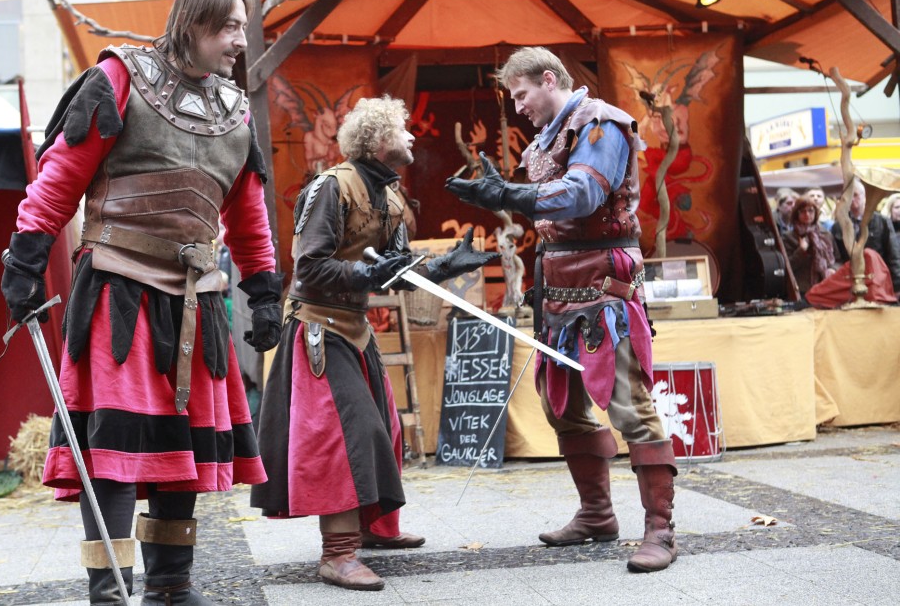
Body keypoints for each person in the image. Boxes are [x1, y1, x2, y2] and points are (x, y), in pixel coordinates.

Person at [0, 0, 281, 605]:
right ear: (193, 23)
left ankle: (171, 588)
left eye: (242, 28)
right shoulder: (119, 78)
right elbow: (60, 174)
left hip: (197, 299)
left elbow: (248, 214)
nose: (241, 41)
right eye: (230, 28)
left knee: (183, 444)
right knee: (116, 446)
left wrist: (264, 289)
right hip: (118, 292)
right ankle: (111, 593)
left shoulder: (235, 109)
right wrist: (27, 254)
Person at [251, 95, 497, 591]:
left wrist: (445, 266)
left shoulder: (393, 197)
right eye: (402, 130)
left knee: (383, 426)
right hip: (318, 327)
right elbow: (309, 267)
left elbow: (396, 272)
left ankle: (374, 529)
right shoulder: (332, 187)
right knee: (348, 433)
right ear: (379, 138)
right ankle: (337, 554)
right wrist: (366, 273)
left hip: (355, 327)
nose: (411, 136)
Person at [445, 46, 677, 573]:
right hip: (558, 287)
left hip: (603, 283)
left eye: (522, 94)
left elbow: (583, 194)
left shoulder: (601, 124)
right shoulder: (547, 139)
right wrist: (503, 195)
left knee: (627, 403)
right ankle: (597, 514)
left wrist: (508, 194)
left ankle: (660, 530)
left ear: (549, 80)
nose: (519, 107)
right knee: (560, 403)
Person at [830, 178, 900, 295]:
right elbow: (837, 257)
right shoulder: (838, 226)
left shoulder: (881, 221)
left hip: (878, 280)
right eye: (848, 196)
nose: (852, 199)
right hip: (850, 282)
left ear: (864, 196)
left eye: (855, 195)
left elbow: (893, 255)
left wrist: (897, 286)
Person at [782, 197, 835, 294]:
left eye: (810, 211)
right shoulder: (788, 237)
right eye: (802, 211)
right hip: (801, 289)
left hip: (825, 286)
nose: (807, 214)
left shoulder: (825, 234)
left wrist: (832, 269)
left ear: (816, 213)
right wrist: (801, 250)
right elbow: (786, 267)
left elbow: (837, 259)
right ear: (796, 214)